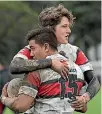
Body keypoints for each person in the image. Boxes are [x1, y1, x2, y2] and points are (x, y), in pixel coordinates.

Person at [9, 4, 100, 106]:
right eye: (64, 26)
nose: (69, 31)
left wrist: (85, 98)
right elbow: (15, 66)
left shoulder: (74, 51)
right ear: (50, 29)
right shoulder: (34, 48)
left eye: (69, 27)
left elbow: (94, 81)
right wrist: (50, 62)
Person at [1, 28, 87, 114]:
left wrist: (4, 98)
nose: (31, 54)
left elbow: (20, 106)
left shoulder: (36, 72)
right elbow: (83, 108)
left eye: (33, 48)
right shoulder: (78, 70)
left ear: (46, 47)